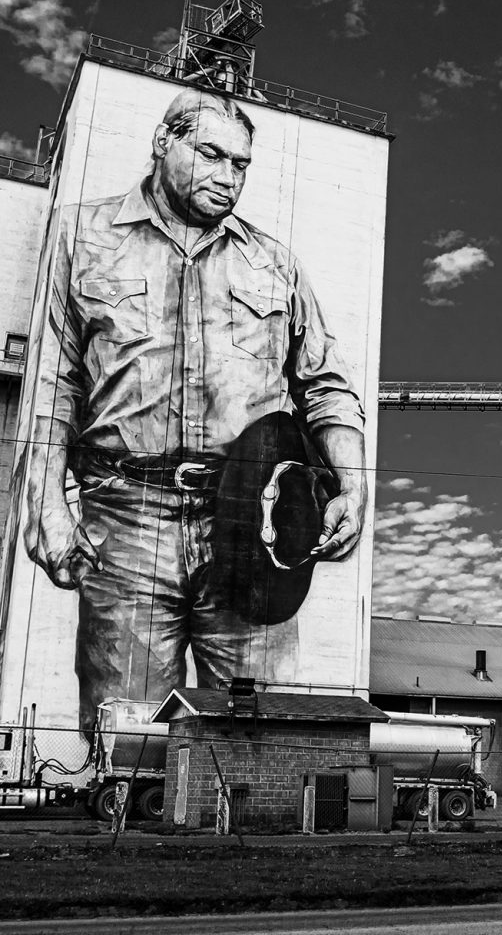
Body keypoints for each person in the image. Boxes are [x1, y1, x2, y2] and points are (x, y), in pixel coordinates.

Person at [22, 88, 367, 731]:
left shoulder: (275, 263)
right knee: (130, 736)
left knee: (258, 730)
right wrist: (43, 498)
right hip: (125, 520)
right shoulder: (81, 235)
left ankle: (239, 832)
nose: (228, 178)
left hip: (253, 522)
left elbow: (325, 386)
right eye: (212, 155)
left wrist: (352, 482)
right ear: (163, 143)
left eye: (241, 165)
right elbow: (52, 379)